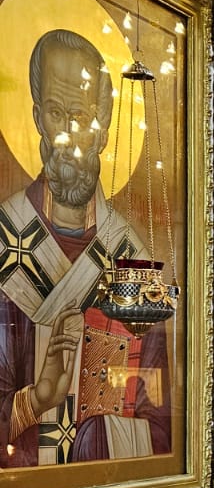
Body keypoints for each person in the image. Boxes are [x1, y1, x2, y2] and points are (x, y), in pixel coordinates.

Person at [0, 28, 171, 465]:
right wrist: (36, 400)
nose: (67, 134)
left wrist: (95, 437)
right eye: (56, 113)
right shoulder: (5, 240)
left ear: (103, 129)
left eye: (79, 114)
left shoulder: (131, 256)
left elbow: (161, 424)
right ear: (38, 118)